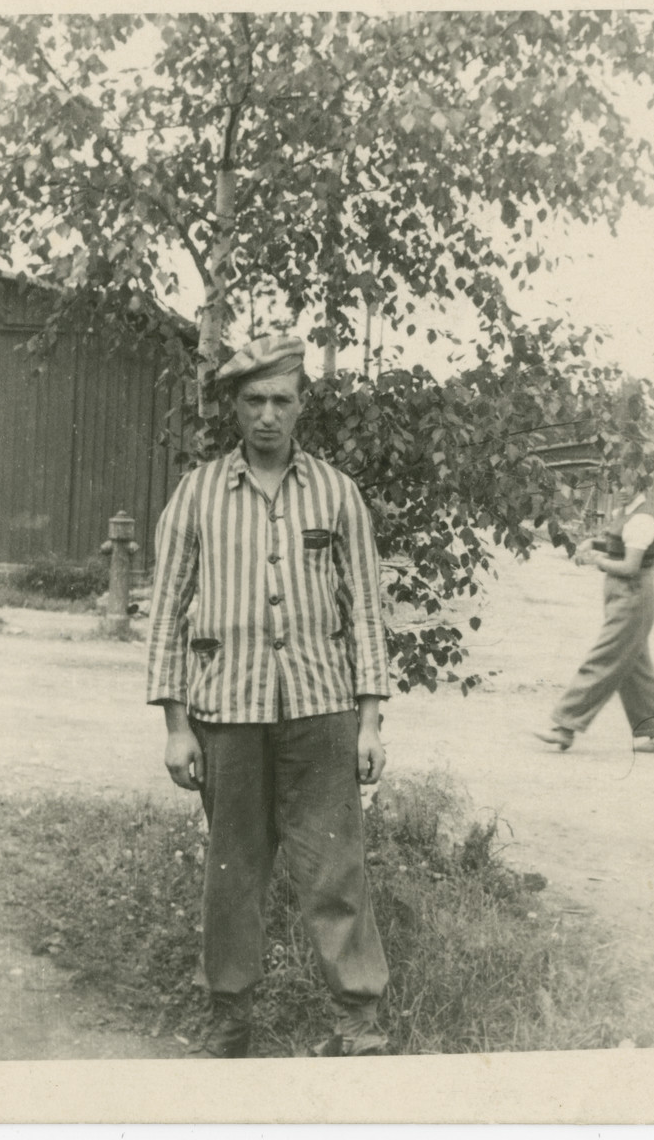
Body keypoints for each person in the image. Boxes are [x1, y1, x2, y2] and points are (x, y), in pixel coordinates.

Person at [146, 334, 391, 1058]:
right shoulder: (196, 493)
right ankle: (230, 1017)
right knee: (233, 875)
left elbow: (369, 610)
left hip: (322, 713)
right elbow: (165, 609)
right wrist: (175, 726)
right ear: (233, 408)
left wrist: (370, 722)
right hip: (228, 716)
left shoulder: (335, 492)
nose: (267, 415)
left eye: (282, 400)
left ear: (301, 406)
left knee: (334, 871)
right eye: (252, 400)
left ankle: (357, 1023)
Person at [536, 482, 654, 754]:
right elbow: (619, 544)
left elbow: (629, 566)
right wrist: (593, 541)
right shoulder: (625, 513)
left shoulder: (643, 519)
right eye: (619, 484)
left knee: (603, 659)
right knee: (635, 666)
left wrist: (596, 561)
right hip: (620, 597)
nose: (624, 489)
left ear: (642, 485)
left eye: (631, 484)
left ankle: (565, 727)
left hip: (633, 597)